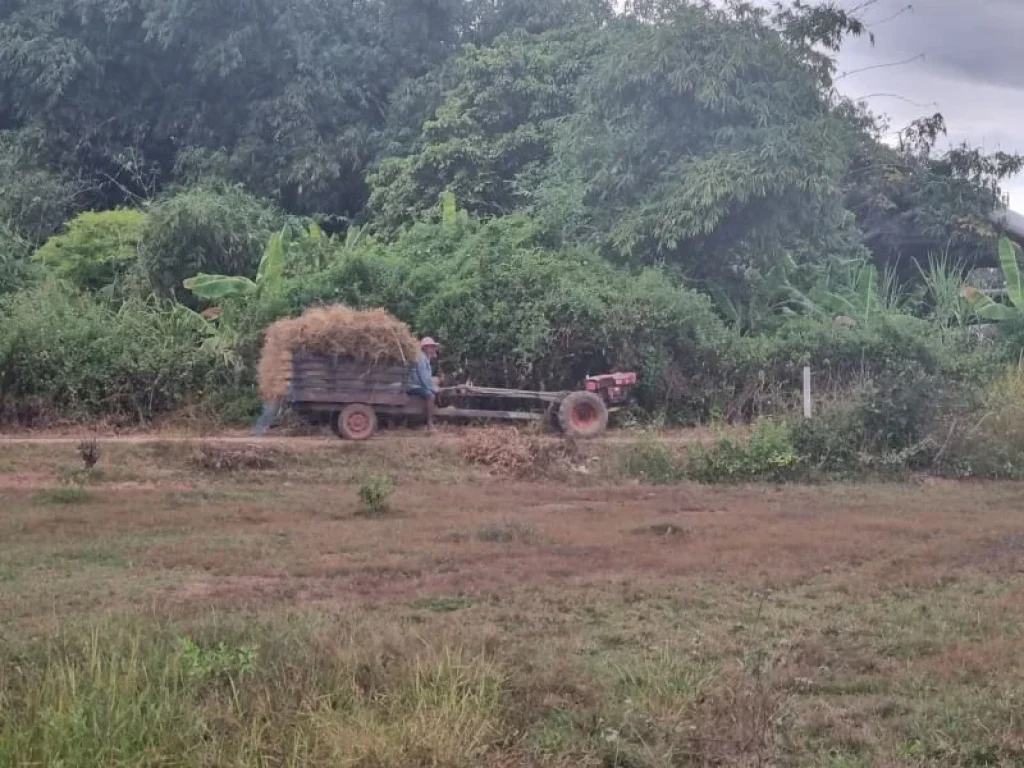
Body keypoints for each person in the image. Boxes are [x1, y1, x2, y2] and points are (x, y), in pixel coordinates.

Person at [409, 337, 440, 431]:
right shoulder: (421, 358)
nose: (433, 349)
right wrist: (433, 389)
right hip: (414, 386)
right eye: (431, 347)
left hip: (418, 384)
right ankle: (429, 423)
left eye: (433, 347)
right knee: (431, 395)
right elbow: (424, 378)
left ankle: (431, 416)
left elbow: (427, 377)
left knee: (434, 386)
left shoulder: (425, 358)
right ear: (424, 348)